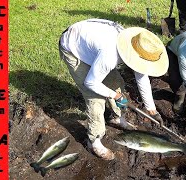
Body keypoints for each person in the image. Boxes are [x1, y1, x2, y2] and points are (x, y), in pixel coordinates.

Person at [59, 19, 169, 160]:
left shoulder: (137, 47)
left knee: (116, 82)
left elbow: (142, 77)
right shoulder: (110, 55)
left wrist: (151, 109)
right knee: (95, 97)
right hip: (73, 47)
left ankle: (118, 118)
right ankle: (94, 141)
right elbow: (91, 82)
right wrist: (114, 96)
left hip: (93, 47)